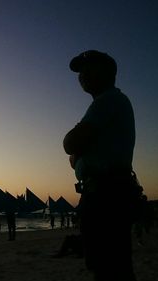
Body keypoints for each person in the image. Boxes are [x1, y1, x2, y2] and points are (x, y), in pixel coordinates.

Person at [64, 50, 138, 281]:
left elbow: (69, 144)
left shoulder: (107, 101)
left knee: (109, 268)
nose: (83, 74)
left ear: (107, 72)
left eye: (89, 67)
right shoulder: (110, 103)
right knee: (112, 266)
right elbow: (76, 151)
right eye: (80, 71)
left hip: (106, 193)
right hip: (108, 190)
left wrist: (77, 151)